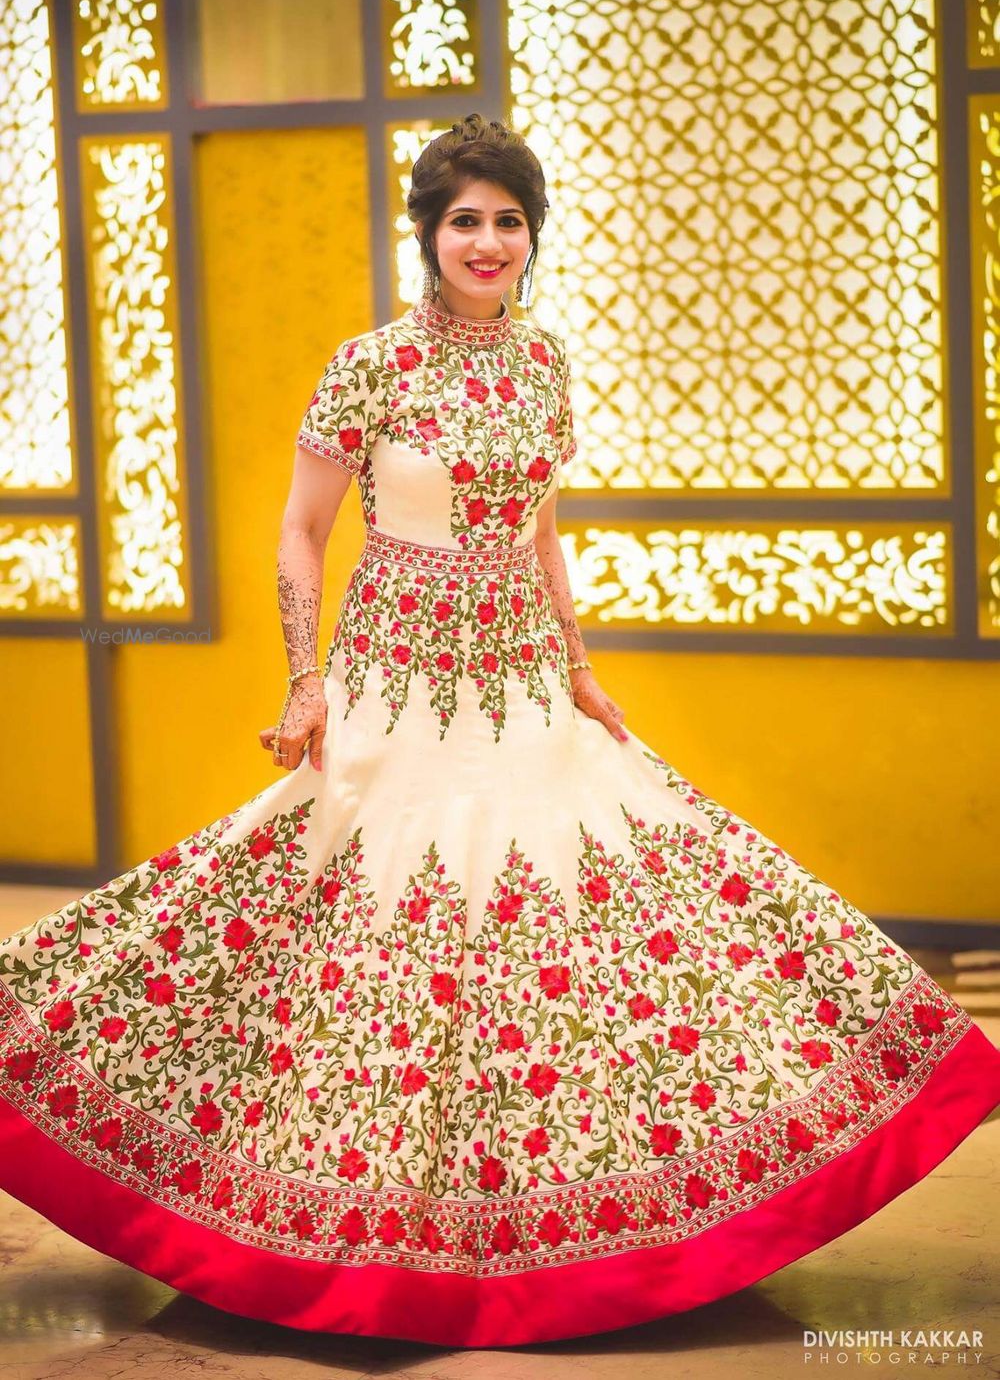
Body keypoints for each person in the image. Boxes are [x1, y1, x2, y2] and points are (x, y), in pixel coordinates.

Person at [0, 112, 998, 1350]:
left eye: (507, 219)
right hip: (397, 679)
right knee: (357, 918)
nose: (486, 240)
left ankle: (576, 1232)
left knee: (609, 907)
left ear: (531, 238)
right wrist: (305, 683)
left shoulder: (545, 364)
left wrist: (581, 670)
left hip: (522, 678)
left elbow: (537, 533)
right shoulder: (370, 362)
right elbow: (303, 531)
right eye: (463, 218)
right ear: (427, 235)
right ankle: (353, 1230)